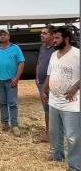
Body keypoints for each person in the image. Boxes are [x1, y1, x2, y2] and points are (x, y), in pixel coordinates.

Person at [41, 26, 80, 170]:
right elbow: (50, 74)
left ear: (67, 39)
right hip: (54, 100)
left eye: (57, 38)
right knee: (55, 132)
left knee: (73, 137)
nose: (54, 40)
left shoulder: (77, 54)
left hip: (71, 103)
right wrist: (44, 90)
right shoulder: (53, 54)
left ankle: (75, 166)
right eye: (54, 38)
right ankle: (58, 156)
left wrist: (75, 87)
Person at [0, 29, 25, 137]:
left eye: (4, 34)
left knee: (12, 103)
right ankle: (5, 123)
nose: (2, 36)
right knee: (2, 103)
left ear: (8, 36)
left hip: (11, 81)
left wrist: (16, 78)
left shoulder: (15, 48)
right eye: (0, 35)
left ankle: (14, 125)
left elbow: (21, 63)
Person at [35, 25, 55, 142]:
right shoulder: (42, 47)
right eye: (41, 33)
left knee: (54, 109)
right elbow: (39, 63)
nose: (41, 35)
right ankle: (48, 133)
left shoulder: (56, 49)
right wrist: (37, 78)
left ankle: (55, 134)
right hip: (42, 84)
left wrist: (47, 86)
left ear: (52, 35)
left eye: (45, 33)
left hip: (51, 84)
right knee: (46, 109)